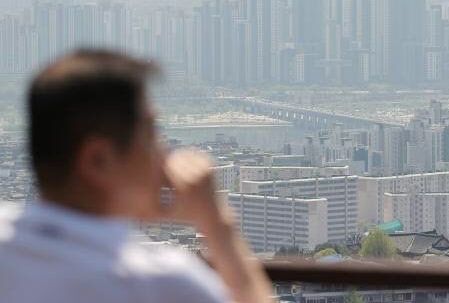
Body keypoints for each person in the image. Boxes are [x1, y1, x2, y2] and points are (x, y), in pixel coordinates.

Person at [0, 50, 273, 303]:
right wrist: (216, 224)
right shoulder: (157, 281)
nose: (164, 153)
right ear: (98, 160)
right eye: (151, 135)